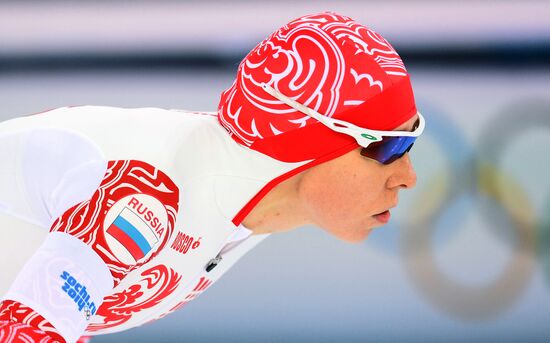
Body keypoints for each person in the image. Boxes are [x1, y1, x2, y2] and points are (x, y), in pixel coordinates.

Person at [0, 11, 424, 343]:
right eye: (390, 148)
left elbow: (60, 314)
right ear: (309, 144)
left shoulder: (237, 199)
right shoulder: (149, 194)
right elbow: (23, 329)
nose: (408, 177)